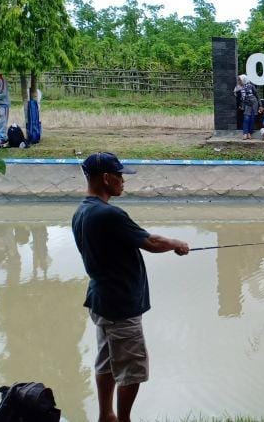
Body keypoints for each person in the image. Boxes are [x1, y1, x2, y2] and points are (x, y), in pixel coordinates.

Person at [71, 152, 190, 422]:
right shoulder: (110, 214)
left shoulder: (82, 211)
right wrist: (177, 244)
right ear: (106, 178)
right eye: (120, 176)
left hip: (100, 300)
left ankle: (106, 415)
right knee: (131, 368)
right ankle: (123, 419)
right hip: (120, 306)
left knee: (106, 360)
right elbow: (151, 242)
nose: (123, 181)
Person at [237, 75, 259, 140]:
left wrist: (260, 106)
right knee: (246, 118)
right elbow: (240, 98)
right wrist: (241, 105)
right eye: (238, 80)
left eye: (240, 80)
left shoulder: (251, 86)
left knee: (252, 119)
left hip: (254, 104)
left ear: (244, 80)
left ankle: (249, 133)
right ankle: (245, 133)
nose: (239, 81)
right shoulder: (239, 87)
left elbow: (257, 95)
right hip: (247, 104)